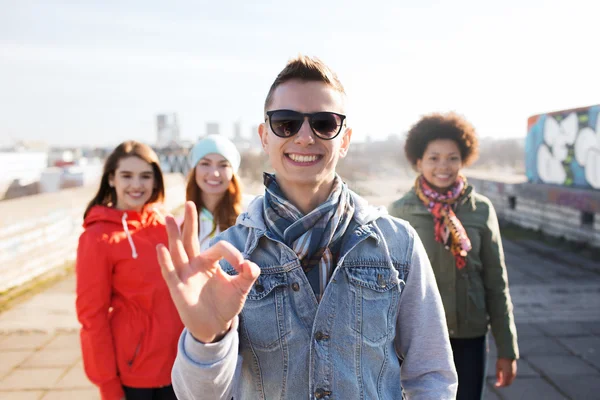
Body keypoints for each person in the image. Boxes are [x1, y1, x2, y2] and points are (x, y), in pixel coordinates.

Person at [157, 56, 458, 399]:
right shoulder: (229, 255)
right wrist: (206, 340)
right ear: (264, 137)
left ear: (344, 139)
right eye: (286, 123)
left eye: (324, 123)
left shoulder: (397, 243)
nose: (304, 137)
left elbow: (432, 375)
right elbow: (199, 396)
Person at [389, 113, 519, 399]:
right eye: (433, 158)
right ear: (418, 161)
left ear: (464, 159)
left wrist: (507, 350)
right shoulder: (400, 213)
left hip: (470, 336)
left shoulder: (481, 210)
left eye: (452, 158)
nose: (443, 167)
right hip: (418, 338)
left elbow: (496, 283)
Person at [75, 141, 183, 400]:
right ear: (111, 179)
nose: (137, 185)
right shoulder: (97, 237)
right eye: (127, 176)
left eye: (145, 176)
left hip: (181, 367)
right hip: (135, 374)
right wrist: (108, 385)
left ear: (156, 181)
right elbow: (92, 317)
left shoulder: (165, 226)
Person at [185, 134, 253, 251]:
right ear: (194, 170)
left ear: (233, 172)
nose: (214, 173)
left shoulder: (252, 212)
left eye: (223, 165)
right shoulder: (181, 223)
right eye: (205, 164)